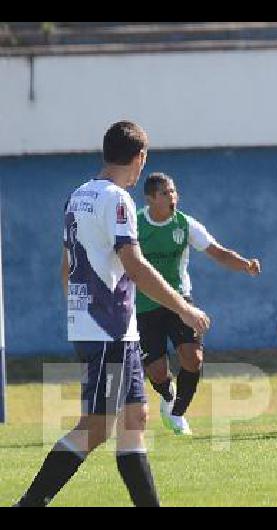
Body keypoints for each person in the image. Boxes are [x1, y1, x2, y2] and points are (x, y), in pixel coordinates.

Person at [15, 121, 210, 507]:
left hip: (112, 330)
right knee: (96, 427)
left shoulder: (77, 196)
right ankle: (28, 504)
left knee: (134, 423)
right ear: (139, 158)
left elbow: (66, 266)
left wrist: (76, 315)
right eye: (144, 160)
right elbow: (134, 265)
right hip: (109, 330)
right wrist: (184, 308)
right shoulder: (117, 200)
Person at [137, 172, 261, 436]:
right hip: (144, 304)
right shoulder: (135, 225)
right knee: (157, 372)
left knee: (193, 359)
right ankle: (167, 395)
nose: (173, 196)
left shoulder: (185, 224)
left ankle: (178, 412)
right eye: (165, 193)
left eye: (174, 191)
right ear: (150, 199)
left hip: (180, 300)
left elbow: (217, 251)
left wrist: (245, 265)